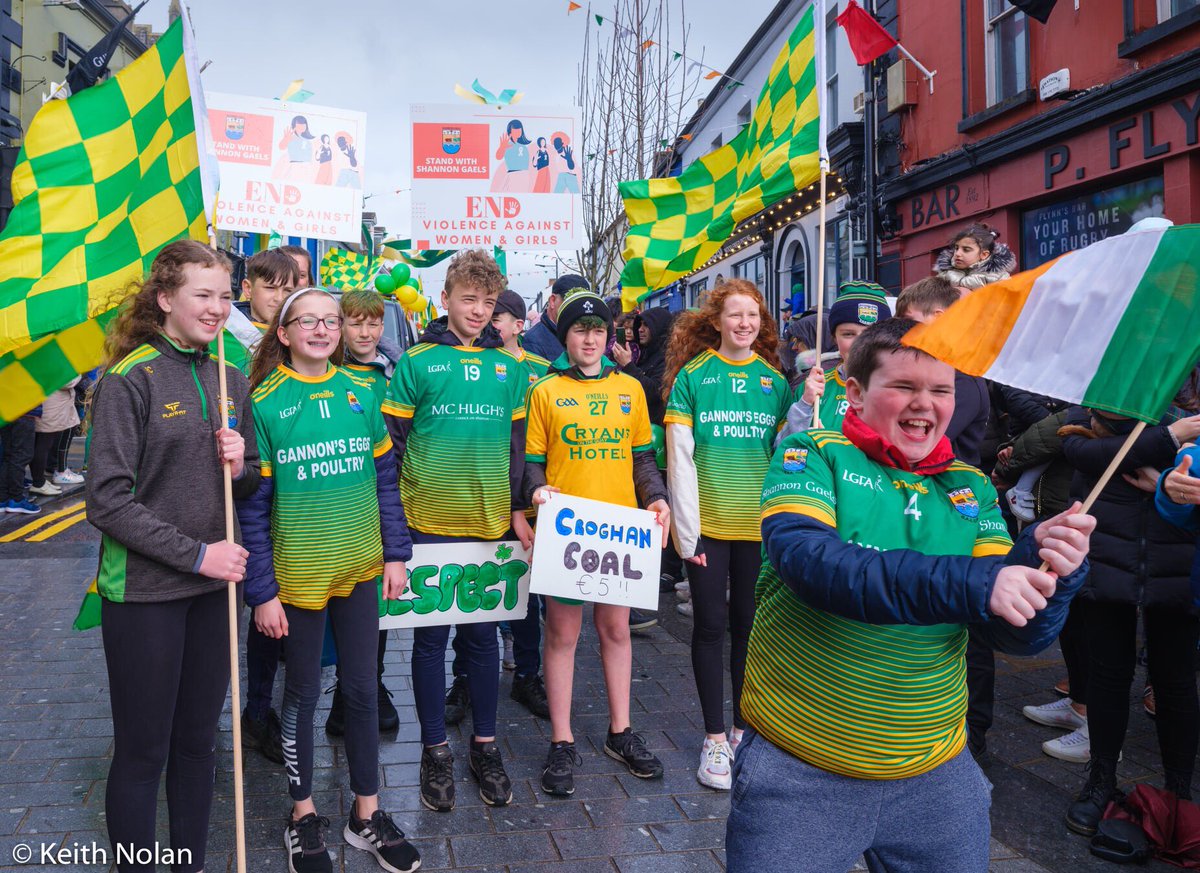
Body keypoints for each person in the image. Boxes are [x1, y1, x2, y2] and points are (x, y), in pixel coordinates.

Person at [727, 318, 1095, 873]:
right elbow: (814, 566)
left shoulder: (970, 487)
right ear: (855, 391)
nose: (925, 404)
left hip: (936, 778)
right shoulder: (811, 454)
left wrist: (1050, 569)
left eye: (941, 390)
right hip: (801, 771)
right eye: (904, 386)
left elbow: (1014, 635)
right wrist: (981, 583)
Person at [86, 240, 260, 873]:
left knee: (198, 743)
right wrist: (197, 557)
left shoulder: (230, 376)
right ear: (165, 299)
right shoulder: (129, 378)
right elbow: (106, 502)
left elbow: (248, 481)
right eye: (203, 295)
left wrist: (243, 465)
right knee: (143, 750)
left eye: (225, 295)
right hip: (145, 595)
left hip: (215, 594)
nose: (218, 308)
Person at [237, 287, 420, 873]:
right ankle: (303, 813)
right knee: (302, 696)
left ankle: (366, 815)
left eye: (330, 320)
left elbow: (386, 481)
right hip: (299, 578)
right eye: (307, 320)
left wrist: (396, 554)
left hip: (361, 567)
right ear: (284, 333)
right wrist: (261, 591)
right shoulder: (263, 402)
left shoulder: (363, 391)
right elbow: (253, 510)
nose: (321, 329)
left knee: (364, 690)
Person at [381, 249, 532, 812]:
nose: (477, 311)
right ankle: (435, 750)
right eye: (467, 299)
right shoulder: (417, 362)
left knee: (483, 642)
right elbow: (391, 447)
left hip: (490, 525)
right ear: (445, 299)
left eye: (487, 303)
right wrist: (391, 526)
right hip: (426, 523)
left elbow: (520, 450)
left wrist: (519, 510)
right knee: (429, 641)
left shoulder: (512, 370)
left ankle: (485, 747)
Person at [523, 286, 672, 798]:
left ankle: (620, 731)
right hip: (568, 531)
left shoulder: (629, 388)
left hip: (620, 531)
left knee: (616, 631)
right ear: (566, 335)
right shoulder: (544, 391)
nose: (590, 338)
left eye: (599, 330)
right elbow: (531, 461)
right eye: (581, 330)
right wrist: (536, 490)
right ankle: (562, 739)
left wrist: (656, 498)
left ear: (611, 337)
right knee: (562, 635)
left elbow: (642, 458)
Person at [661, 278, 791, 790]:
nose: (744, 324)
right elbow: (678, 457)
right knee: (710, 627)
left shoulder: (775, 382)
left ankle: (743, 729)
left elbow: (791, 453)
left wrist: (808, 402)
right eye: (735, 315)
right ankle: (713, 736)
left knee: (749, 630)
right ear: (715, 321)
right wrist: (687, 535)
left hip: (758, 530)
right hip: (709, 530)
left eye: (753, 316)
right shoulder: (694, 376)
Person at [1056, 404, 1200, 835]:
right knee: (1107, 674)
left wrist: (1164, 478)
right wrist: (1168, 438)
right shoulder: (1083, 418)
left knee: (1174, 681)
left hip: (1179, 563)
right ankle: (1100, 780)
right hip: (1108, 560)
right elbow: (1090, 456)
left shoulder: (1185, 414)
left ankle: (1179, 792)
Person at [324, 289, 406, 737]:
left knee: (374, 604)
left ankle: (368, 686)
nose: (366, 332)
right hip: (338, 502)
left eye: (373, 323)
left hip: (383, 500)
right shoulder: (328, 373)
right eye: (355, 323)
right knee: (339, 599)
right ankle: (343, 690)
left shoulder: (393, 373)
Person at [237, 249, 302, 766]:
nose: (281, 296)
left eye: (292, 286)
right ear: (249, 287)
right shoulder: (229, 347)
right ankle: (253, 711)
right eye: (272, 286)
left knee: (279, 615)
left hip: (293, 500)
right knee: (254, 610)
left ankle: (265, 709)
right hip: (241, 498)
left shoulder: (298, 340)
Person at [779, 281, 892, 440]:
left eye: (870, 333)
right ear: (834, 338)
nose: (859, 343)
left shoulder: (900, 388)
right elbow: (782, 449)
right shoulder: (814, 387)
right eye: (848, 334)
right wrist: (804, 410)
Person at [28, 377, 82, 497]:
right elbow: (66, 381)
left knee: (41, 443)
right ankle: (38, 483)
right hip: (51, 405)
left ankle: (40, 480)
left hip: (46, 403)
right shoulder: (51, 360)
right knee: (43, 445)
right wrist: (78, 375)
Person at [933, 223, 1016, 290]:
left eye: (966, 249)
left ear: (983, 255)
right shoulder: (944, 275)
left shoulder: (999, 278)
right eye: (956, 248)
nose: (957, 253)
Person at [523, 274, 586, 362]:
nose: (576, 310)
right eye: (569, 303)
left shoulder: (587, 337)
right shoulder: (533, 340)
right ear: (552, 301)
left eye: (582, 304)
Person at [242, 249, 302, 331]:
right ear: (248, 288)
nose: (279, 298)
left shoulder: (299, 334)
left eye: (288, 290)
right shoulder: (224, 331)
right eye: (270, 288)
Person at [0, 408, 40, 514]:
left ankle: (3, 498)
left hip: (6, 410)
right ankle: (16, 499)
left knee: (8, 456)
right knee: (21, 456)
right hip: (24, 410)